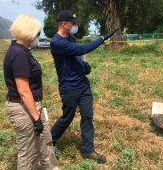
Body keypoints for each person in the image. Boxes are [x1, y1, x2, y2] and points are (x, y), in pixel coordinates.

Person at [49, 10, 118, 164]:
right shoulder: (57, 42)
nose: (75, 26)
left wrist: (83, 65)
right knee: (67, 117)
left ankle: (88, 150)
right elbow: (81, 50)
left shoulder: (70, 38)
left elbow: (76, 56)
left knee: (87, 116)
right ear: (63, 24)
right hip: (69, 87)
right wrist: (102, 38)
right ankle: (48, 142)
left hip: (82, 84)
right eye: (73, 23)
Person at [3, 14, 59, 170]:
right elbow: (23, 90)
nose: (38, 37)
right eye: (38, 33)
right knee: (28, 153)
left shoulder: (21, 50)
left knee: (45, 143)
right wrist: (36, 118)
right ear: (29, 32)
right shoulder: (19, 53)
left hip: (32, 106)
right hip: (24, 109)